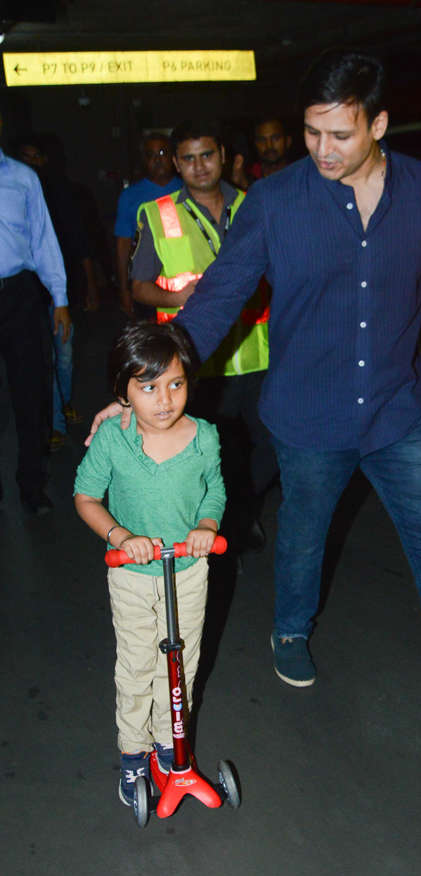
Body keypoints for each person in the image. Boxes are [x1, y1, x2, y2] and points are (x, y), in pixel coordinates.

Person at [89, 51, 421, 744]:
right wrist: (145, 384)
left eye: (340, 134)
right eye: (312, 132)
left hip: (400, 411)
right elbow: (219, 298)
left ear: (380, 123)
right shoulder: (277, 203)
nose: (322, 150)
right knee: (304, 537)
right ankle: (289, 630)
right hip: (307, 414)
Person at [74, 321, 225, 807]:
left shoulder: (203, 436)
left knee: (181, 663)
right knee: (138, 666)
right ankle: (134, 752)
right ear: (123, 394)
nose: (165, 400)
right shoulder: (113, 440)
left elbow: (214, 491)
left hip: (187, 571)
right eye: (148, 388)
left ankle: (169, 746)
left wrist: (206, 525)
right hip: (133, 576)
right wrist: (121, 536)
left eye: (175, 384)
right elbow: (86, 496)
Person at [129, 119, 275, 554]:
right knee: (214, 452)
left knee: (272, 446)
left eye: (207, 155)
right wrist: (181, 295)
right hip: (196, 361)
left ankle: (240, 510)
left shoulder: (257, 204)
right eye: (188, 158)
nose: (199, 166)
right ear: (176, 163)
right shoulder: (158, 214)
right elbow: (138, 287)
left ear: (224, 156)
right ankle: (221, 525)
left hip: (261, 354)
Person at [0, 115, 71, 513]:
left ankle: (32, 485)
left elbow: (44, 238)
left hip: (20, 296)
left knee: (32, 394)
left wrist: (59, 298)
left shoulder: (23, 177)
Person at [17, 134, 97, 449]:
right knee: (46, 359)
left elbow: (80, 243)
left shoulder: (62, 195)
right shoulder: (15, 195)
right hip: (27, 295)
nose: (30, 163)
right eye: (24, 156)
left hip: (61, 291)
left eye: (35, 157)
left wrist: (91, 285)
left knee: (63, 357)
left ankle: (62, 406)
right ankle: (55, 422)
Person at [114, 133, 182, 316]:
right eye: (151, 155)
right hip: (145, 287)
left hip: (182, 288)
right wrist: (124, 289)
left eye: (162, 153)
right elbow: (123, 245)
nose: (157, 160)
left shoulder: (187, 190)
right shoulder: (130, 197)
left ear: (173, 157)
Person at [232, 117, 292, 189]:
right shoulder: (248, 176)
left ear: (288, 141)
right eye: (262, 140)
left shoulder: (301, 174)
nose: (269, 146)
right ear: (255, 144)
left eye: (275, 138)